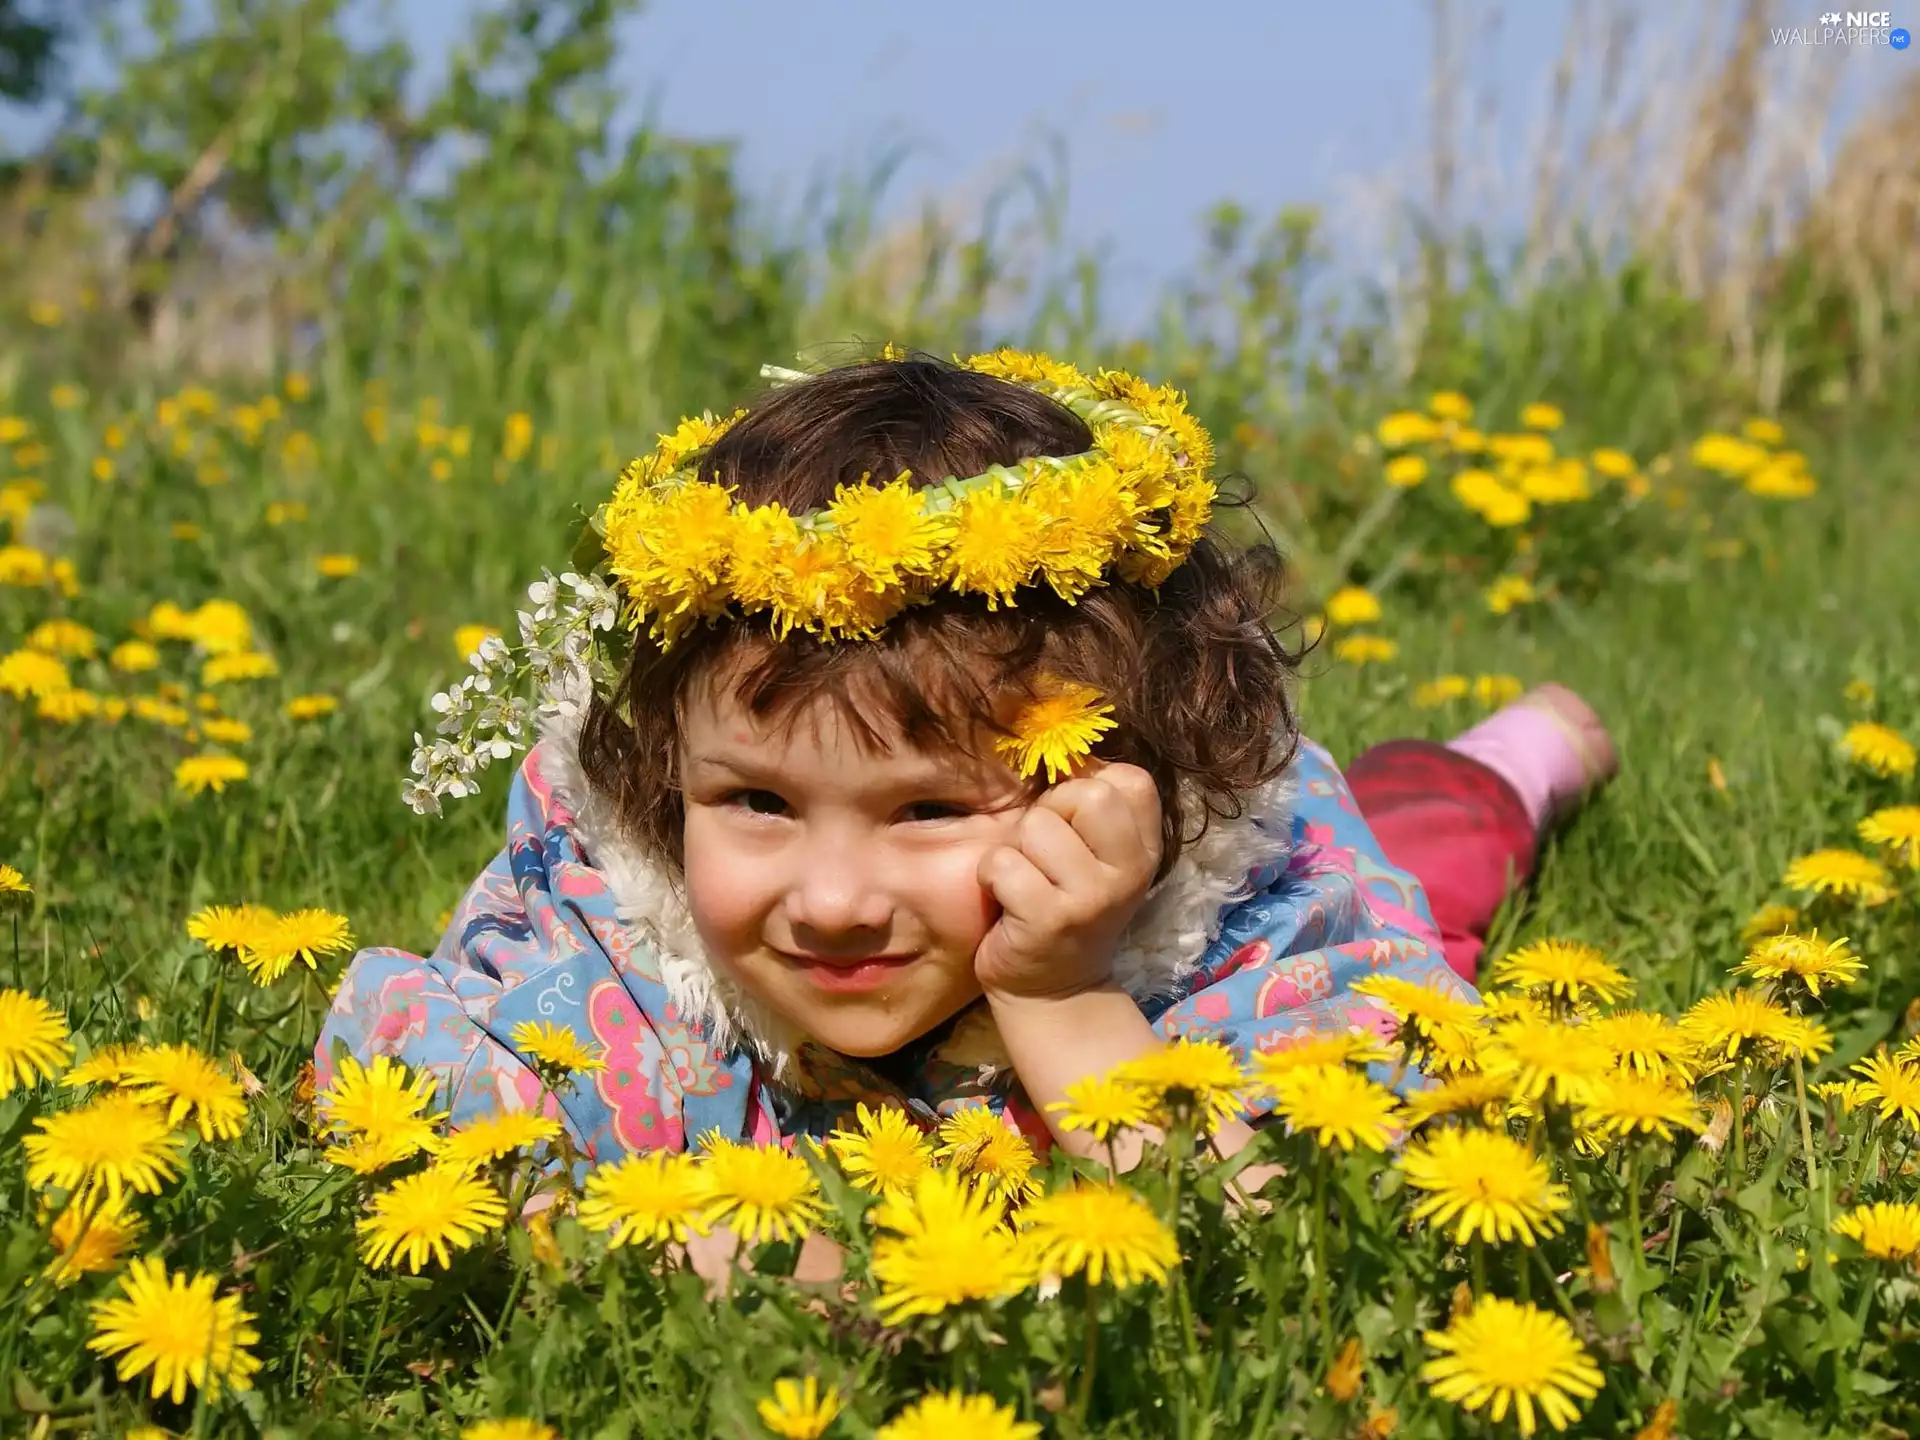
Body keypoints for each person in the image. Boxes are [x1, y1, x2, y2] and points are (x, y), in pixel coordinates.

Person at [316, 350, 1615, 1173]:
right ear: (670, 778)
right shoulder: (620, 917)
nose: (829, 899)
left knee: (1438, 856)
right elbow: (419, 1095)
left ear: (1118, 787)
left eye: (929, 809)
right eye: (757, 800)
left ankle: (1520, 755)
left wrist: (1059, 993)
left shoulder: (1250, 899)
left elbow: (1281, 1204)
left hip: (1206, 923)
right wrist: (712, 1256)